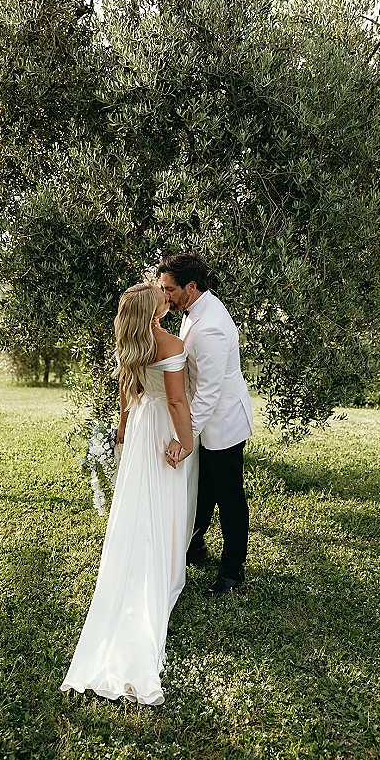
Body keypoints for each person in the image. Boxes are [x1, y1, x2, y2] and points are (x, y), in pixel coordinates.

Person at [60, 283, 199, 706]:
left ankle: (143, 560)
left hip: (139, 425)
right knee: (165, 501)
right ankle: (164, 568)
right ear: (153, 309)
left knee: (139, 499)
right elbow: (176, 402)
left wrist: (123, 425)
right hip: (161, 428)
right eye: (160, 293)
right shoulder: (170, 342)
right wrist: (187, 440)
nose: (165, 294)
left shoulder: (131, 342)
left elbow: (127, 389)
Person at [159, 254, 253, 599]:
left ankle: (232, 571)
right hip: (204, 418)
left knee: (228, 497)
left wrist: (183, 438)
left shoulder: (211, 325)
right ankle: (195, 546)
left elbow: (209, 393)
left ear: (191, 287)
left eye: (170, 289)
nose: (165, 295)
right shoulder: (196, 311)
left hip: (223, 422)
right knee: (203, 490)